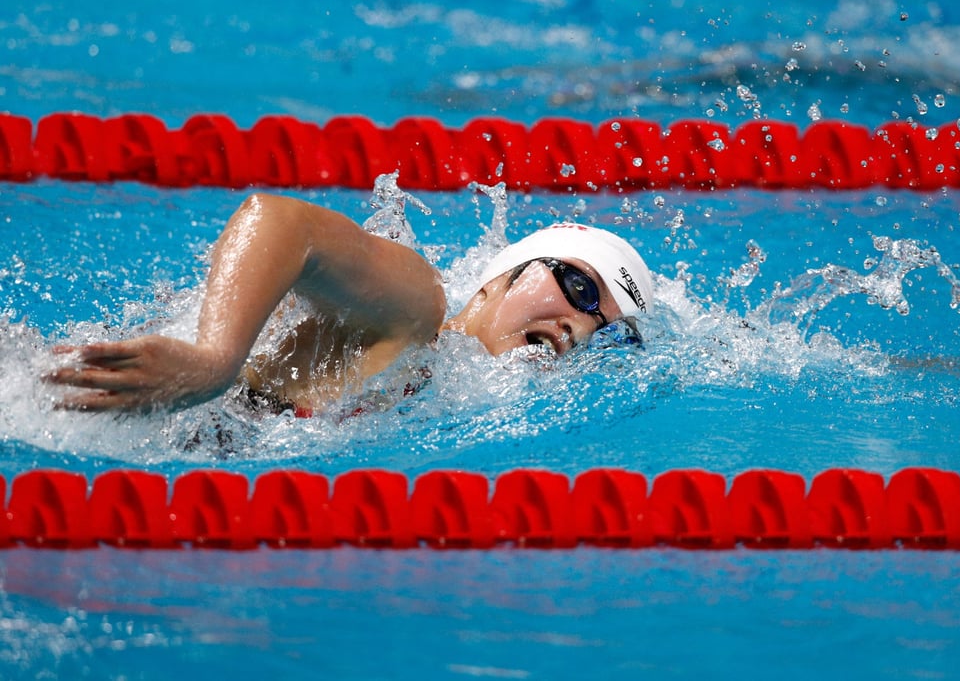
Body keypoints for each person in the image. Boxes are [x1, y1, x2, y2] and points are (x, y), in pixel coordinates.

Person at [46, 193, 654, 415]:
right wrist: (214, 361)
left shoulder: (447, 399)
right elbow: (280, 220)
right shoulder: (417, 311)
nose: (580, 324)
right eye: (578, 287)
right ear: (498, 278)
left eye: (607, 330)